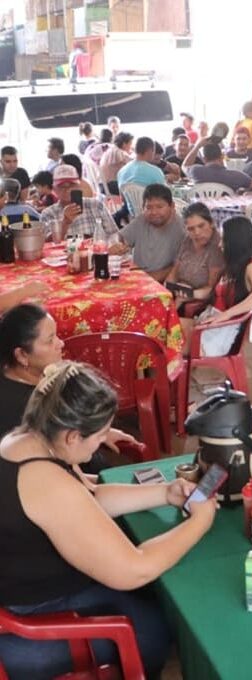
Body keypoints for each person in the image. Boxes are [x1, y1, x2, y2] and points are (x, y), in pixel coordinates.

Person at [0, 360, 217, 679]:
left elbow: (89, 496)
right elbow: (134, 570)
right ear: (73, 436)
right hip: (31, 625)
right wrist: (200, 521)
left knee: (158, 596)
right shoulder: (46, 481)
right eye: (100, 436)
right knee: (162, 624)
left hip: (31, 596)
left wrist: (165, 493)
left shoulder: (27, 440)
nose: (102, 444)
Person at [0, 304, 136, 461]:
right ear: (22, 355)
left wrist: (100, 432)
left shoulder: (36, 377)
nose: (61, 344)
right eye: (50, 340)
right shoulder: (24, 409)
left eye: (56, 336)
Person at [195, 216, 252, 356]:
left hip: (220, 334)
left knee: (168, 342)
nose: (220, 245)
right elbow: (215, 293)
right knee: (166, 330)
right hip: (210, 323)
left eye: (224, 240)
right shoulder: (234, 264)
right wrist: (188, 293)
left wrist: (226, 315)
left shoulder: (251, 266)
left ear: (235, 242)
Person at [165, 202, 224, 331]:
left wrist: (187, 295)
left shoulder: (217, 247)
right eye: (191, 229)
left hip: (199, 302)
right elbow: (174, 273)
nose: (197, 232)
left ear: (211, 223)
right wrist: (167, 290)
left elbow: (211, 289)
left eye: (201, 226)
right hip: (179, 293)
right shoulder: (188, 241)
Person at [108, 184, 185, 282]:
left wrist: (150, 278)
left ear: (172, 206)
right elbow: (120, 238)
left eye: (159, 207)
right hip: (138, 276)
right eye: (149, 207)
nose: (154, 212)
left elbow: (180, 265)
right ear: (143, 208)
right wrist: (116, 245)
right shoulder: (142, 219)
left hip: (163, 283)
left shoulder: (182, 228)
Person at [40, 165, 118, 239]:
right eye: (62, 186)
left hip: (96, 248)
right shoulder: (48, 214)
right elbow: (45, 243)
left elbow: (114, 234)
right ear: (54, 189)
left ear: (79, 186)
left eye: (71, 185)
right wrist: (65, 223)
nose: (67, 190)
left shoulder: (96, 205)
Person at [182, 141, 252, 191]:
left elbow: (184, 166)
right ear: (222, 156)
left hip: (202, 211)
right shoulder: (237, 175)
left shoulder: (196, 171)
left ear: (204, 159)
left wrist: (197, 146)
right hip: (228, 211)